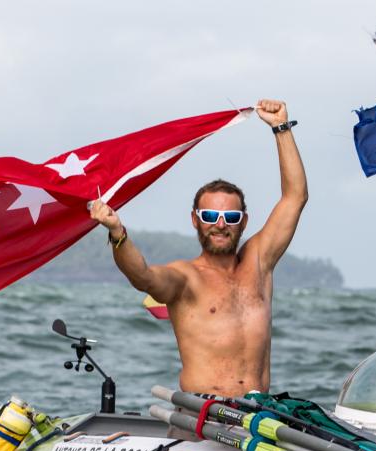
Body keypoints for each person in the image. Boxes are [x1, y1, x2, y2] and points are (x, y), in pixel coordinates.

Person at [87, 99, 306, 397]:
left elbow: (295, 197)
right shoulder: (186, 277)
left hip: (258, 413)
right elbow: (143, 277)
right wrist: (117, 232)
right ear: (195, 220)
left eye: (230, 217)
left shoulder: (259, 262)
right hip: (203, 416)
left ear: (243, 221)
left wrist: (281, 128)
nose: (220, 224)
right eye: (209, 216)